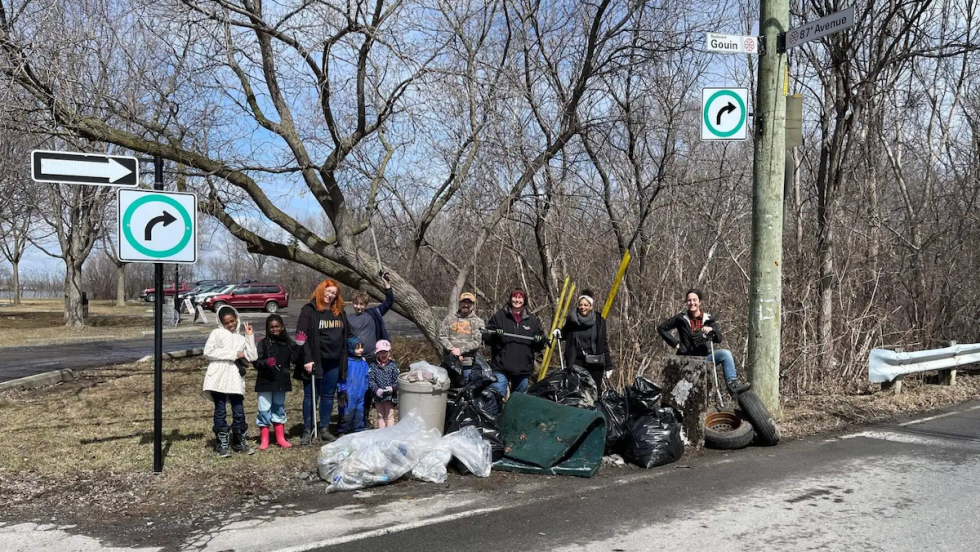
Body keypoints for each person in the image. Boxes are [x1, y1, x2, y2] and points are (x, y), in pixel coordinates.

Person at [657, 288, 750, 395]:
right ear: (686, 302)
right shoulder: (680, 318)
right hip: (686, 360)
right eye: (689, 300)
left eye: (694, 300)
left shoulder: (708, 319)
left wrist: (712, 330)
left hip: (704, 359)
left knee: (725, 354)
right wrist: (676, 344)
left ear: (699, 302)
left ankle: (732, 384)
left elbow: (719, 338)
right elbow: (661, 328)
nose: (692, 303)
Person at [295, 279, 349, 445]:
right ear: (321, 290)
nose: (330, 295)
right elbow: (300, 336)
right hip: (314, 361)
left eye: (333, 293)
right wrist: (307, 359)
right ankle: (308, 429)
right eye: (328, 291)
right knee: (311, 395)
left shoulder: (339, 311)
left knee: (328, 395)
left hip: (333, 362)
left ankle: (324, 428)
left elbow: (347, 333)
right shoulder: (309, 310)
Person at [203, 306, 257, 457]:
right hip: (218, 377)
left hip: (234, 378)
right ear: (221, 323)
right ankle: (222, 443)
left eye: (232, 321)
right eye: (226, 323)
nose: (231, 325)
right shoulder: (217, 333)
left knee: (238, 410)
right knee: (220, 410)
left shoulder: (241, 338)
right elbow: (208, 352)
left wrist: (249, 336)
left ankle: (240, 441)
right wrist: (233, 354)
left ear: (237, 318)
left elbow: (252, 357)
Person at [484, 289, 546, 396]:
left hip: (523, 370)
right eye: (515, 297)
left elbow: (539, 346)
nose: (517, 300)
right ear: (510, 299)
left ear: (524, 300)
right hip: (501, 368)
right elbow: (486, 338)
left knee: (518, 401)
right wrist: (495, 336)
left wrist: (539, 341)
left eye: (520, 297)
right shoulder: (500, 316)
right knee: (495, 396)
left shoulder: (532, 321)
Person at [255, 314, 301, 450]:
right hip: (265, 381)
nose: (274, 329)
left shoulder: (287, 342)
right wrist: (265, 362)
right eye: (271, 327)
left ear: (282, 327)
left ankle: (280, 438)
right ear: (267, 329)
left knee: (279, 408)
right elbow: (256, 362)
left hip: (281, 381)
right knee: (264, 409)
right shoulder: (262, 343)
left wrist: (299, 345)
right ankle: (265, 439)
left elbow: (295, 359)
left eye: (277, 326)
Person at [560, 290, 614, 393]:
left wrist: (608, 365)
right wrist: (558, 332)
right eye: (580, 305)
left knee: (594, 391)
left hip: (595, 362)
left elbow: (603, 343)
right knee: (576, 391)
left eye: (586, 305)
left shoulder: (599, 321)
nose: (583, 307)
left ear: (591, 306)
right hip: (576, 361)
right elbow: (564, 334)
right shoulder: (572, 320)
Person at [348, 272, 394, 362]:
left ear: (366, 305)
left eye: (361, 304)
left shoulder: (374, 313)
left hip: (373, 357)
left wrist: (387, 285)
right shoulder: (348, 318)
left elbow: (389, 302)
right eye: (356, 303)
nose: (358, 306)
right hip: (356, 358)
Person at [438, 292, 485, 369]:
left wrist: (461, 350)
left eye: (469, 302)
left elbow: (478, 341)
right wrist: (453, 350)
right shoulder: (449, 319)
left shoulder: (478, 322)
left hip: (469, 363)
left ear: (473, 305)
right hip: (450, 361)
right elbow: (442, 336)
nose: (466, 305)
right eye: (464, 302)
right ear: (459, 303)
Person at [337, 337, 370, 434]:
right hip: (348, 393)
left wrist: (369, 388)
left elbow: (368, 376)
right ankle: (344, 429)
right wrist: (342, 390)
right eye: (357, 348)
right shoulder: (346, 362)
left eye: (361, 347)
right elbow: (342, 377)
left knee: (360, 411)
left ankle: (358, 428)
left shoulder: (363, 362)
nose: (361, 350)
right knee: (347, 411)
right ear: (350, 349)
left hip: (362, 392)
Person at [368, 339, 399, 428]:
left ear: (389, 353)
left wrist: (393, 388)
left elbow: (397, 380)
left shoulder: (393, 365)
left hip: (390, 395)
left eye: (385, 352)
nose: (383, 354)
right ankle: (381, 433)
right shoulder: (373, 366)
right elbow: (371, 380)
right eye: (381, 352)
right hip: (378, 396)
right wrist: (376, 390)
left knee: (390, 415)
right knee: (380, 415)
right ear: (377, 354)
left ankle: (389, 433)